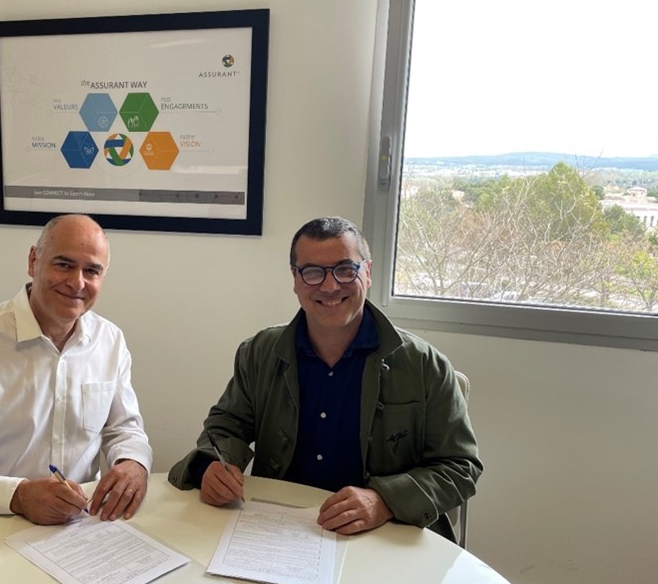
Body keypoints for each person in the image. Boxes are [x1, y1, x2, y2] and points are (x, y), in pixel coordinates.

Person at [168, 216, 481, 542]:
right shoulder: (259, 352)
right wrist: (213, 467)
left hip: (383, 535)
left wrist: (385, 500)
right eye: (313, 272)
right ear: (295, 279)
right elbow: (225, 427)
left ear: (368, 273)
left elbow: (460, 467)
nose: (330, 286)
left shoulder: (424, 364)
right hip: (275, 530)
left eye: (346, 269)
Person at [0, 214, 152, 535]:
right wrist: (17, 496)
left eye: (92, 270)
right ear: (33, 261)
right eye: (63, 264)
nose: (77, 282)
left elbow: (125, 429)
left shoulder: (110, 340)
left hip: (76, 525)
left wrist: (133, 463)